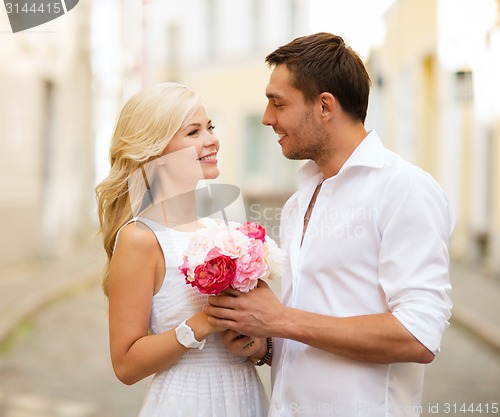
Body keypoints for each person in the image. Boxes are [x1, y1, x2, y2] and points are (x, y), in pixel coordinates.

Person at [205, 33, 455, 417]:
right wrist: (266, 344)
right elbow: (309, 325)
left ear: (325, 106)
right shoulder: (298, 200)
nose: (266, 117)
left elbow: (418, 336)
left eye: (278, 102)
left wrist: (281, 319)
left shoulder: (404, 189)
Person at [95, 82, 268, 417]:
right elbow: (126, 365)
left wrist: (253, 340)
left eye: (210, 127)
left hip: (245, 397)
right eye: (193, 132)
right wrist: (201, 324)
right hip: (188, 402)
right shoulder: (140, 238)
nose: (211, 139)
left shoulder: (221, 230)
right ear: (156, 151)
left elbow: (247, 338)